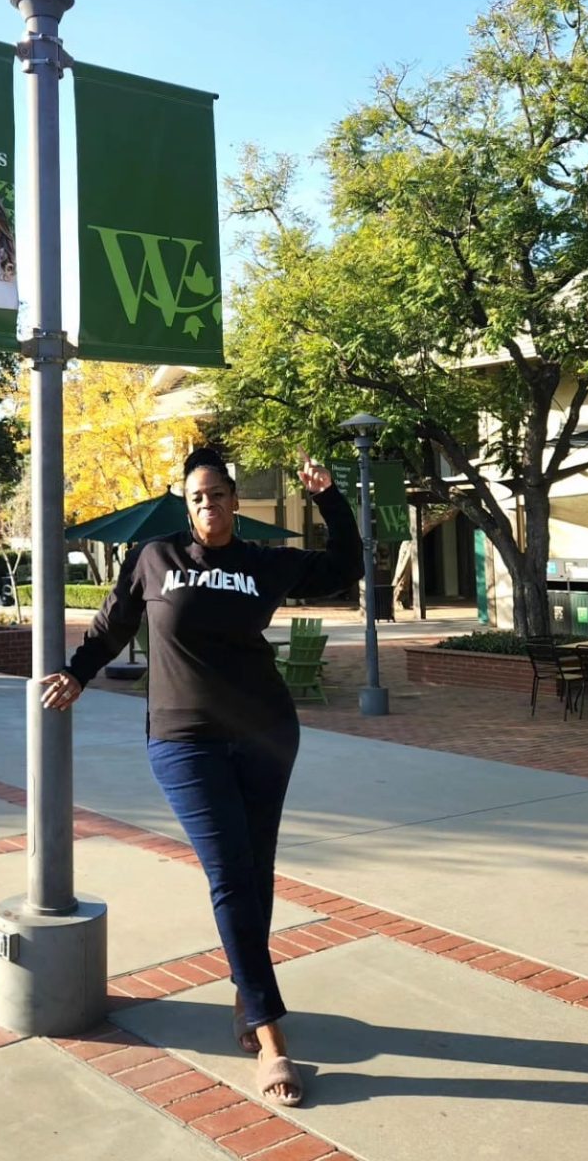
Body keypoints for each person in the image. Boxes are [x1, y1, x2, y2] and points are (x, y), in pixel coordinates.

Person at [41, 445, 362, 1107]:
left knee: (255, 871)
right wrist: (77, 671)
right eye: (196, 497)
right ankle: (271, 1035)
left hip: (267, 734)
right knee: (229, 874)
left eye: (217, 494)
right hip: (184, 741)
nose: (207, 504)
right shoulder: (155, 558)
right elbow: (111, 625)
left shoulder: (261, 564)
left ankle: (249, 998)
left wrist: (330, 497)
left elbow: (344, 568)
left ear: (234, 500)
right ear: (185, 506)